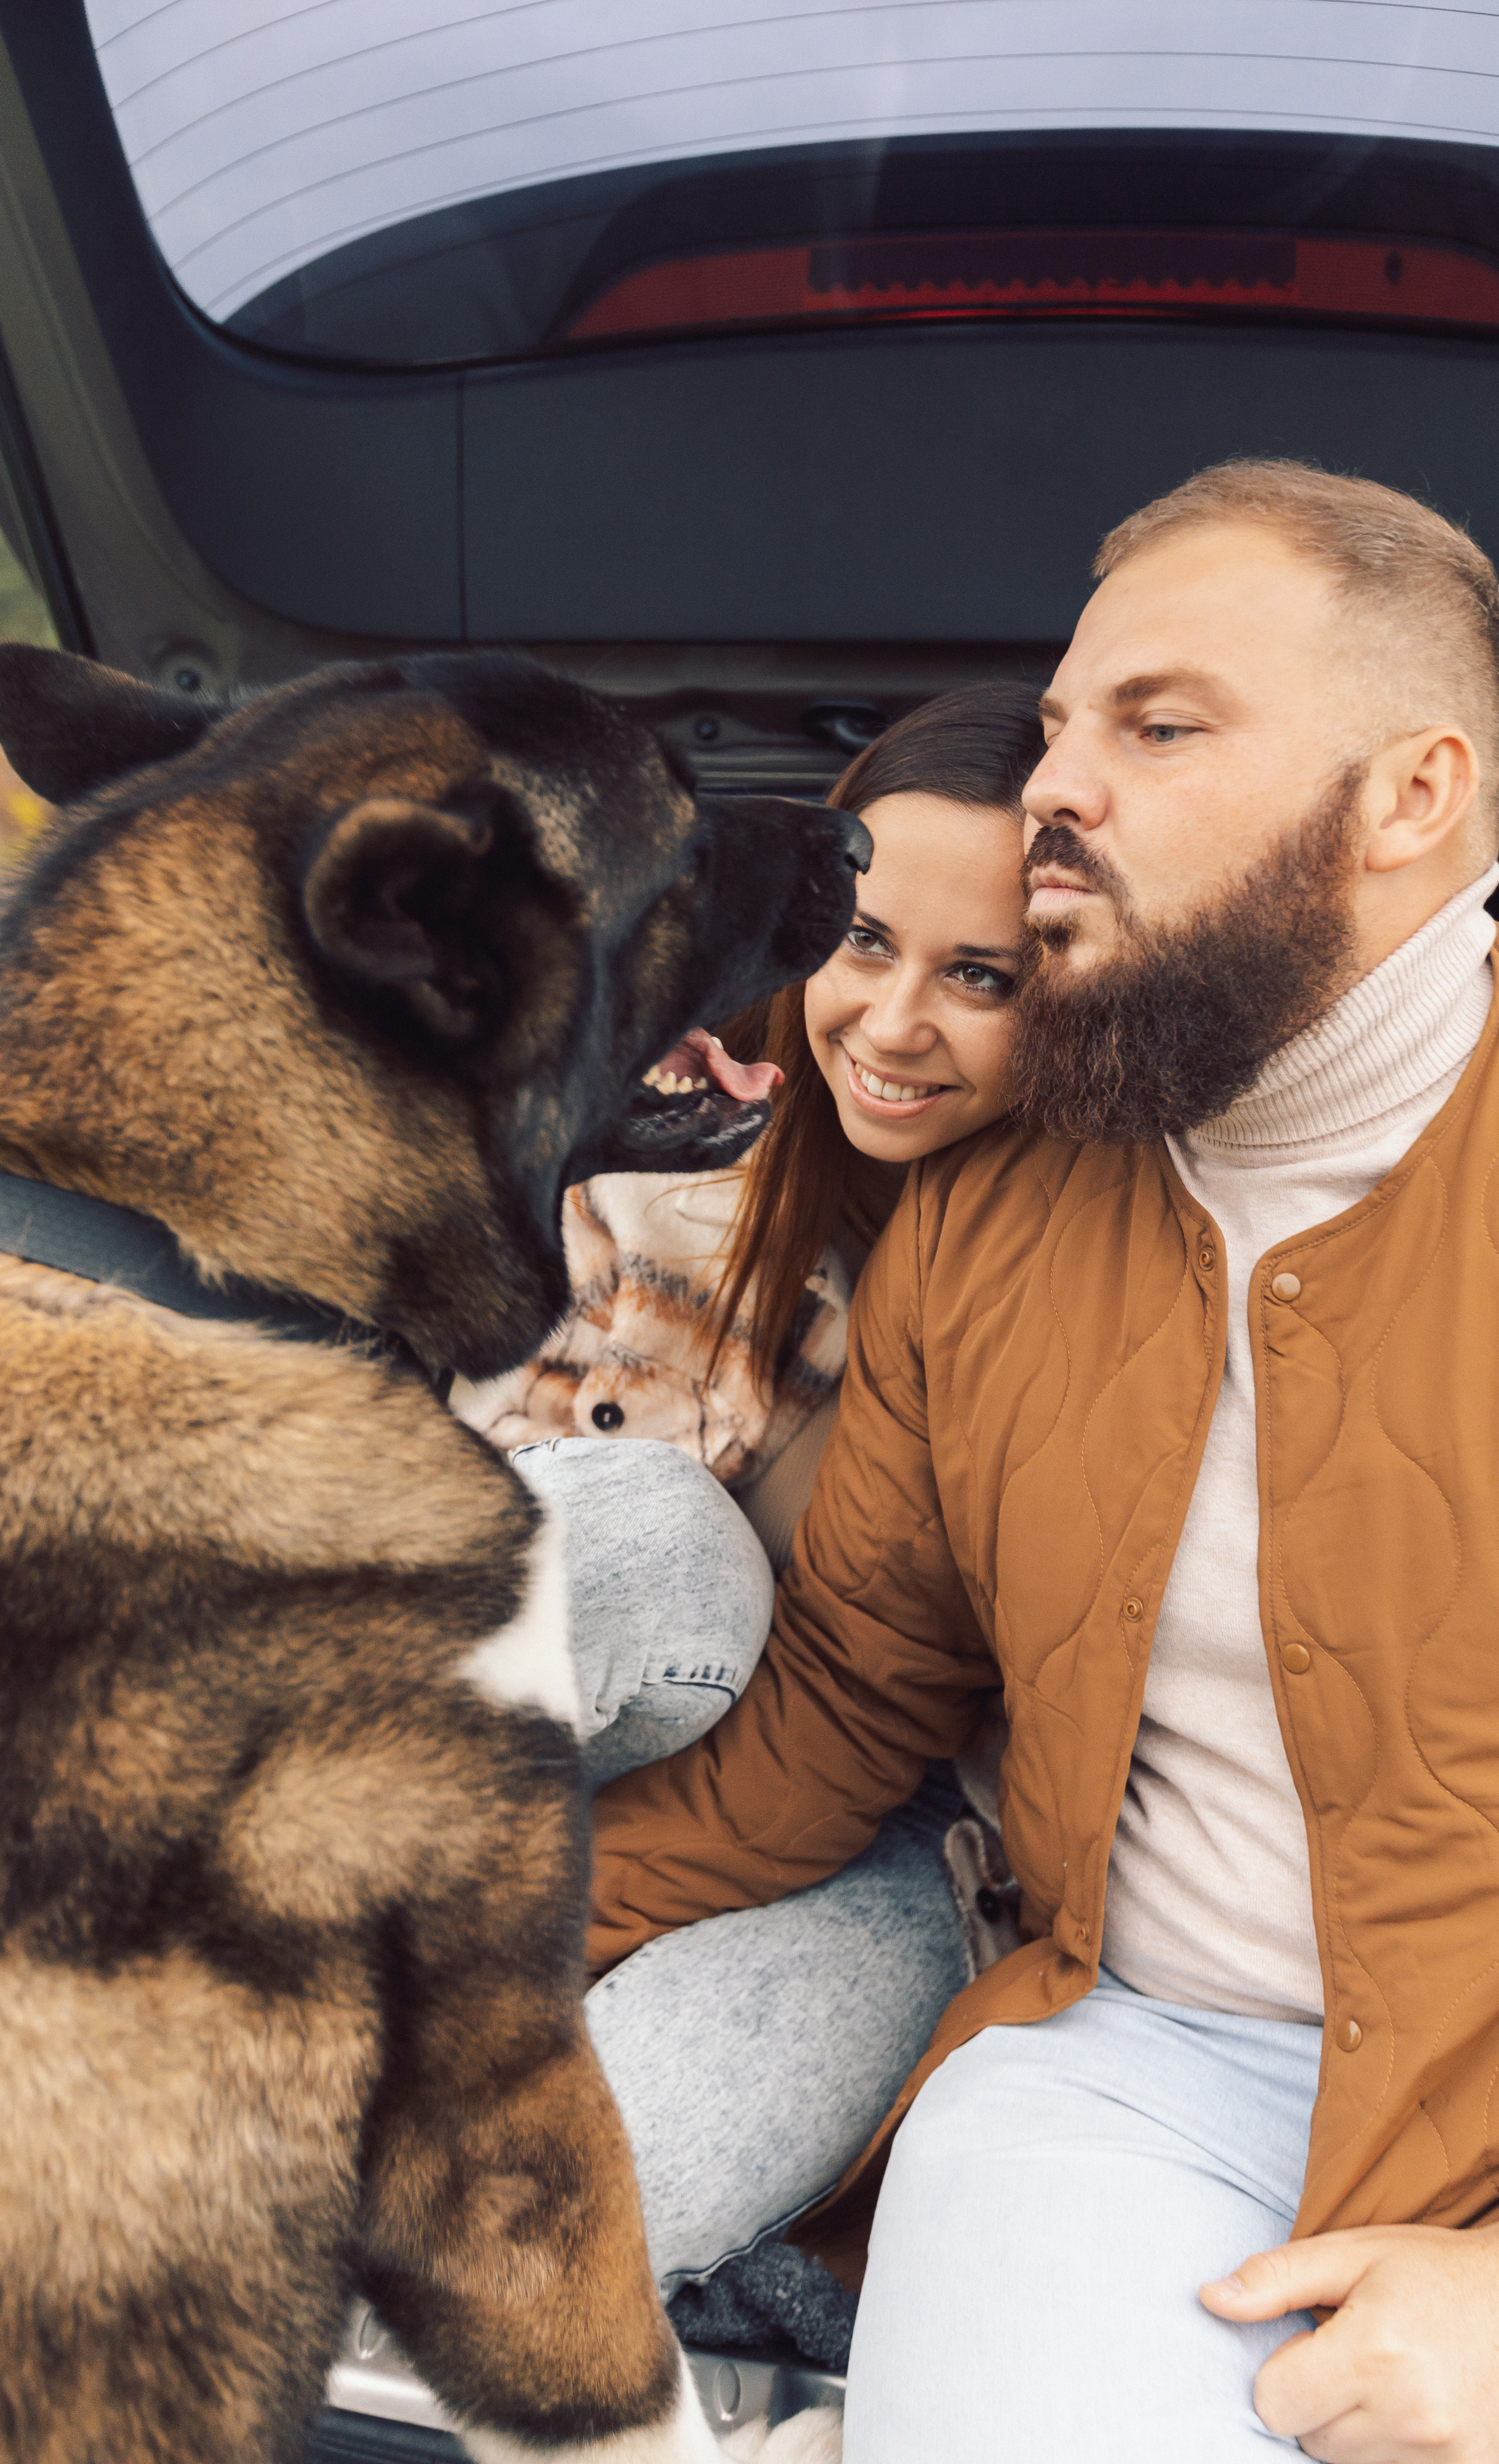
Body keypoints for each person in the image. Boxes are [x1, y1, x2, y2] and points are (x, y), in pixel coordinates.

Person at [588, 459, 1499, 2462]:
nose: (1060, 786)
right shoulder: (993, 1227)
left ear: (1412, 796)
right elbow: (842, 1712)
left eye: (1160, 728)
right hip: (1136, 2062)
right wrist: (414, 1937)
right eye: (1068, 721)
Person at [456, 685, 1043, 2304]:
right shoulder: (653, 1160)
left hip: (899, 1844)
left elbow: (874, 1716)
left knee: (542, 2245)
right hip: (548, 1752)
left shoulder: (1097, 1262)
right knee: (656, 1532)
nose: (893, 1023)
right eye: (862, 944)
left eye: (981, 975)